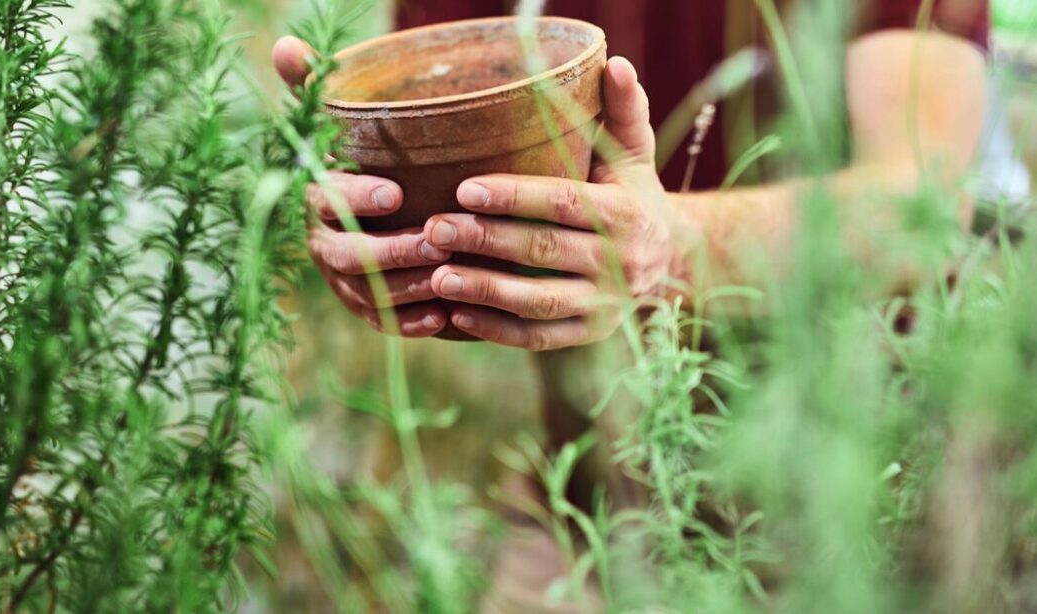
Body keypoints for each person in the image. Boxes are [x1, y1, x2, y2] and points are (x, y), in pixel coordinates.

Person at [272, 0, 990, 609]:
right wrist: (363, 217)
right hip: (587, 501)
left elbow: (919, 211)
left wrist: (667, 245)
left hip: (857, 511)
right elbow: (430, 160)